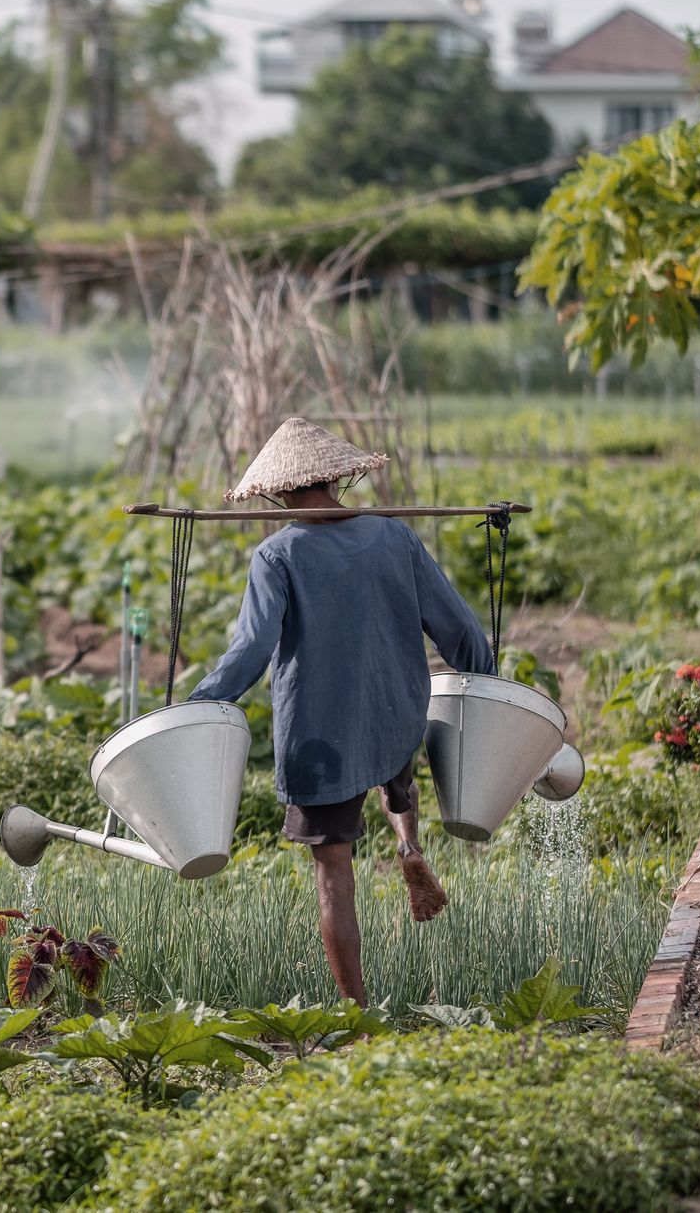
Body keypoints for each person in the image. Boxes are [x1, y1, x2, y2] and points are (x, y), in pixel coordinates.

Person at [188, 417, 494, 1006]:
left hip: (320, 733)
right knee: (390, 766)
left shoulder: (277, 556)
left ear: (277, 492)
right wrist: (485, 680)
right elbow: (456, 626)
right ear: (336, 478)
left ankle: (356, 1012)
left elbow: (252, 649)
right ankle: (408, 845)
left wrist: (201, 704)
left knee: (334, 875)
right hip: (395, 706)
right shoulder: (395, 537)